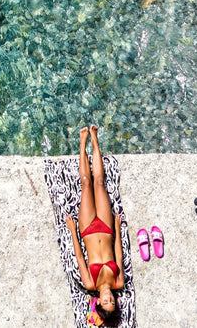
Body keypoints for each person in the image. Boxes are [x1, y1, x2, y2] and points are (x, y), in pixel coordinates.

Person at [65, 127, 124, 324]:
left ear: (98, 302)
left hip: (88, 229)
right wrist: (116, 228)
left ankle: (82, 145)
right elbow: (118, 253)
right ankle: (95, 142)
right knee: (99, 182)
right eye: (112, 302)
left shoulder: (90, 283)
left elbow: (80, 256)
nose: (109, 298)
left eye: (106, 302)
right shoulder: (118, 282)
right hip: (107, 228)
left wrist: (73, 231)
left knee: (86, 184)